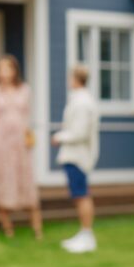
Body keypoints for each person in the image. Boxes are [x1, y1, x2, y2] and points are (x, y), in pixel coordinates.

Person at [0, 55, 43, 240]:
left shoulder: (24, 90)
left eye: (7, 68)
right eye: (0, 68)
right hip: (0, 143)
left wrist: (26, 135)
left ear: (15, 70)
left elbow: (28, 115)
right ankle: (8, 229)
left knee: (25, 181)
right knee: (3, 181)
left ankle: (37, 230)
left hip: (20, 143)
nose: (3, 72)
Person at [52, 64, 100, 254]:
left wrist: (59, 137)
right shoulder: (81, 100)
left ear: (75, 78)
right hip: (76, 155)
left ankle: (87, 234)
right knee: (79, 194)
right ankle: (84, 233)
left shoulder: (82, 103)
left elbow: (79, 132)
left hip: (78, 156)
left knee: (81, 195)